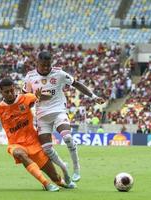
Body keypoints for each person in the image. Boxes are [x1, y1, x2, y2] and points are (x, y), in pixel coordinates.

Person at [0, 78, 75, 191]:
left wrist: (42, 94)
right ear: (1, 92)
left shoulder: (26, 98)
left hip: (34, 143)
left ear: (14, 88)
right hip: (16, 144)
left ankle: (60, 181)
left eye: (11, 90)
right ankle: (45, 183)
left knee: (56, 178)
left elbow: (47, 96)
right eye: (6, 92)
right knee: (19, 153)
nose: (10, 94)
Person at [23, 51, 105, 182]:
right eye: (43, 65)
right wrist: (35, 98)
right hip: (42, 116)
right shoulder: (30, 77)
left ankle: (77, 168)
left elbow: (76, 83)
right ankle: (64, 168)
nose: (46, 68)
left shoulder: (59, 74)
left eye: (48, 65)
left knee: (67, 137)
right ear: (37, 63)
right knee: (46, 149)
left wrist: (94, 97)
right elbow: (25, 97)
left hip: (58, 110)